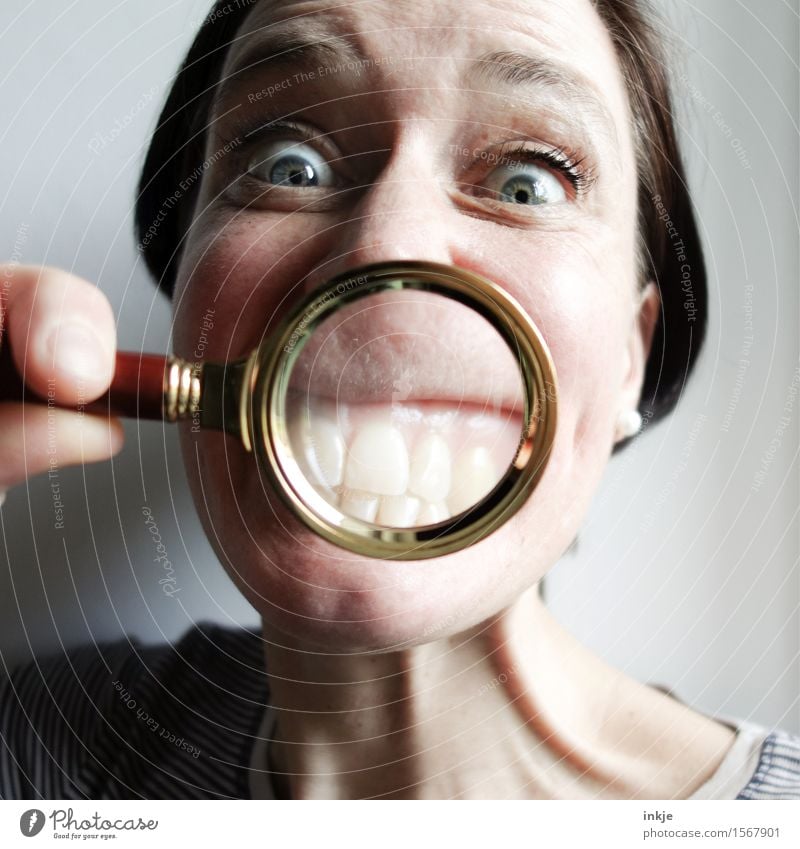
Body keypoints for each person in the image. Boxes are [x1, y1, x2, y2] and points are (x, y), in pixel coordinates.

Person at [1, 0, 798, 800]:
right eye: (287, 165)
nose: (387, 245)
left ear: (632, 356)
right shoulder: (45, 744)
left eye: (527, 182)